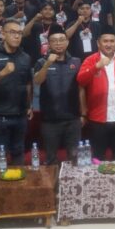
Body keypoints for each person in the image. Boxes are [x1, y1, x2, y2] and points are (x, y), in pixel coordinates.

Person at [77, 26, 115, 160]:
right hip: (97, 119)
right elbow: (81, 80)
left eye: (112, 41)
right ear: (98, 43)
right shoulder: (90, 60)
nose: (109, 44)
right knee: (98, 157)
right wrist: (96, 67)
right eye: (105, 41)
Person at [0, 20, 33, 166]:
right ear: (3, 34)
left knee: (19, 152)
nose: (17, 36)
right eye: (12, 32)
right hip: (0, 115)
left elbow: (28, 83)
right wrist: (2, 73)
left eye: (19, 33)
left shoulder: (25, 57)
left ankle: (19, 181)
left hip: (20, 114)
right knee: (1, 156)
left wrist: (29, 105)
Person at [33, 24, 82, 164]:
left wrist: (83, 114)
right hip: (50, 121)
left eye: (61, 40)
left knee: (74, 159)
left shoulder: (76, 62)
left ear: (67, 42)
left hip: (73, 119)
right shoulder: (41, 62)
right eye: (54, 41)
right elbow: (37, 80)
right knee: (50, 160)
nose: (58, 43)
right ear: (49, 44)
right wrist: (47, 64)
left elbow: (81, 89)